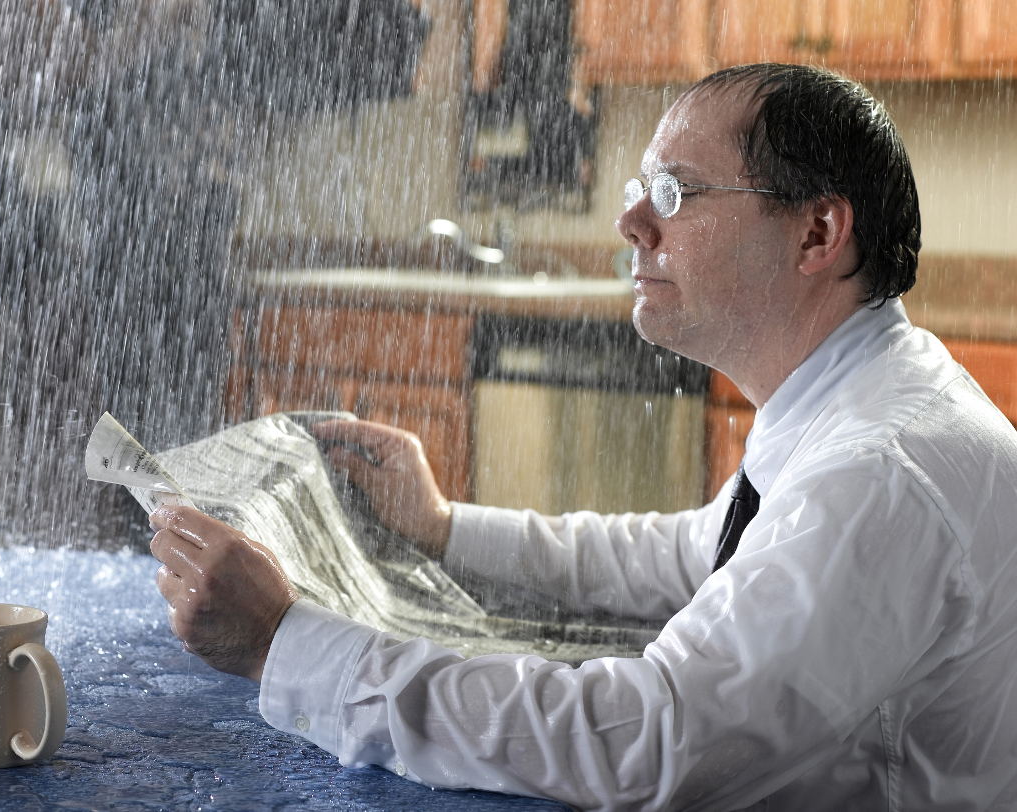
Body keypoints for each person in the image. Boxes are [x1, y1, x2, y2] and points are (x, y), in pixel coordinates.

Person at [148, 63, 1017, 810]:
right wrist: (444, 526)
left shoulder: (878, 473)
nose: (632, 222)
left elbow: (647, 742)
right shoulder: (866, 395)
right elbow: (694, 553)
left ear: (818, 234)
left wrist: (286, 644)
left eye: (675, 193)